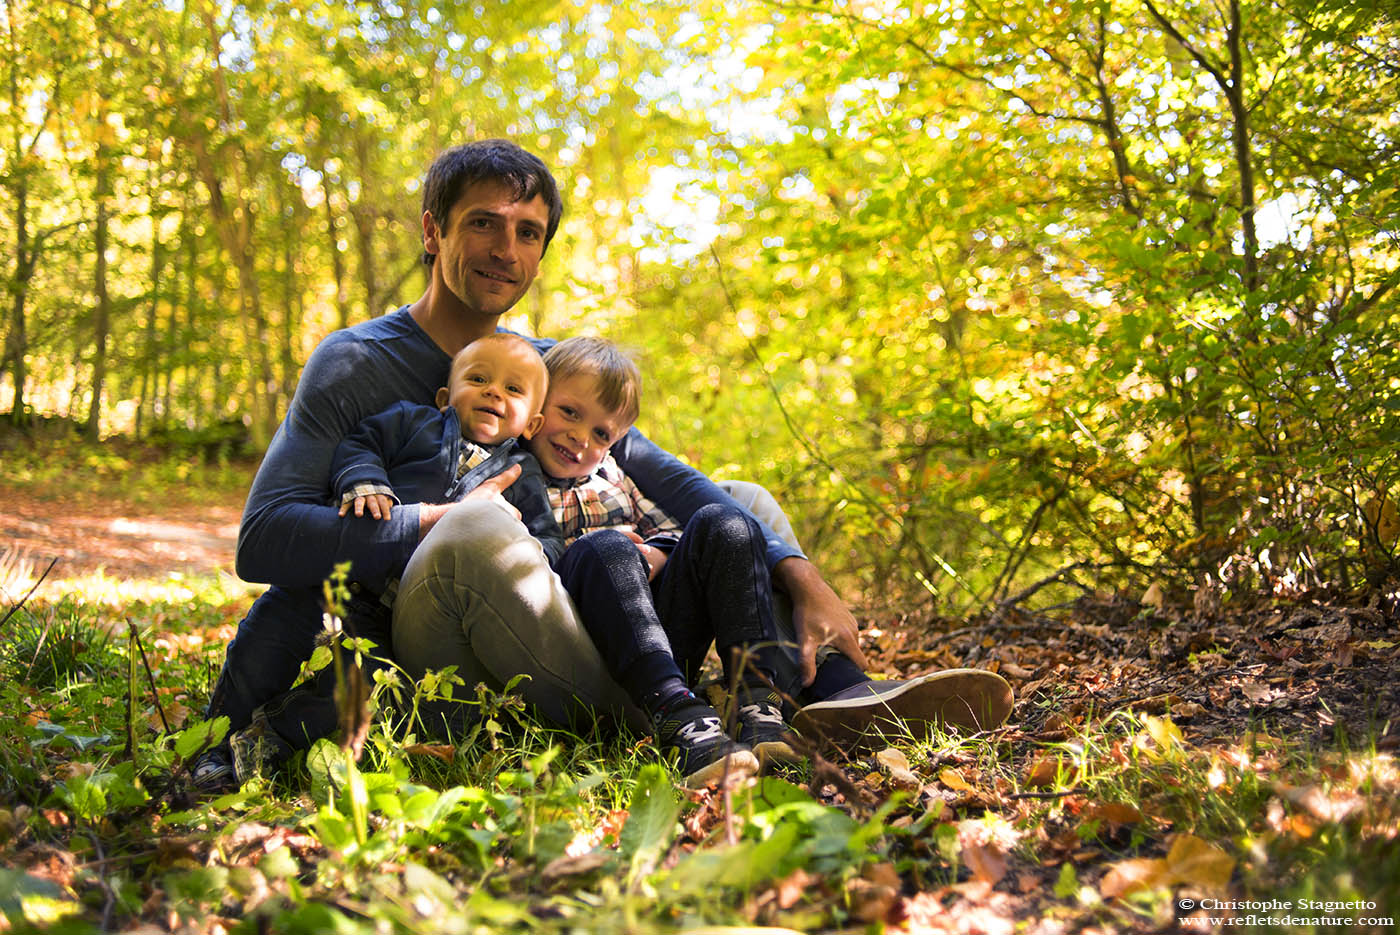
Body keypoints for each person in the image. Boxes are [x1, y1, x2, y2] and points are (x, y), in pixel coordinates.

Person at [196, 139, 1007, 788]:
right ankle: (677, 709)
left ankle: (827, 692)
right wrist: (419, 521)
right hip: (437, 629)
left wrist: (804, 575)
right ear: (432, 230)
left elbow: (675, 479)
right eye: (482, 222)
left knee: (741, 499)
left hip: (560, 628)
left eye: (527, 232)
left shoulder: (545, 374)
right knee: (480, 524)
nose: (504, 248)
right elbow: (263, 539)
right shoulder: (355, 363)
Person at [224, 332, 560, 780]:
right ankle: (215, 735)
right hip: (335, 577)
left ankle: (269, 735)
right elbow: (361, 444)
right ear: (446, 396)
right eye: (478, 379)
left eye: (513, 389)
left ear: (533, 425)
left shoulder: (523, 474)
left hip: (391, 612)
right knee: (264, 641)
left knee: (367, 692)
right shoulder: (412, 422)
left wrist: (514, 539)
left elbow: (547, 540)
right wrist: (363, 480)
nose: (494, 391)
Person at [530, 337, 800, 786]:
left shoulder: (615, 480)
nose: (581, 438)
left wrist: (658, 553)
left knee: (727, 522)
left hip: (658, 638)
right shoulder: (510, 473)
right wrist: (608, 546)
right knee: (606, 547)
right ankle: (677, 715)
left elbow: (672, 530)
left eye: (602, 433)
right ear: (537, 405)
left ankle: (753, 695)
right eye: (570, 413)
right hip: (583, 647)